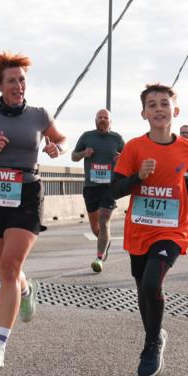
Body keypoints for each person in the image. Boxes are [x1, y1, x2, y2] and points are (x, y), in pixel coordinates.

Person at [0, 51, 67, 371]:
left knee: (8, 267)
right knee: (6, 273)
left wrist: (54, 147)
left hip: (27, 195)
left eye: (21, 80)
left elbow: (59, 140)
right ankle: (26, 288)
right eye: (11, 81)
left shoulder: (39, 115)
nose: (18, 85)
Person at [111, 83, 188, 376]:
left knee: (153, 284)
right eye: (151, 104)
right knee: (142, 288)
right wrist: (137, 177)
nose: (158, 109)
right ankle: (156, 333)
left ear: (174, 111)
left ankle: (151, 344)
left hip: (172, 229)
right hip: (140, 229)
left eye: (164, 103)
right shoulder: (134, 148)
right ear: (144, 113)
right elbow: (115, 189)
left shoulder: (185, 147)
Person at [72, 109, 125, 273]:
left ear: (111, 121)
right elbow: (74, 156)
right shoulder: (87, 136)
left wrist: (121, 158)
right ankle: (105, 242)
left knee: (104, 221)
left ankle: (99, 258)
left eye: (106, 117)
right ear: (95, 120)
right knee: (96, 227)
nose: (103, 119)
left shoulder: (117, 138)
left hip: (109, 187)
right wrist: (83, 153)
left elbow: (129, 158)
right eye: (100, 117)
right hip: (91, 187)